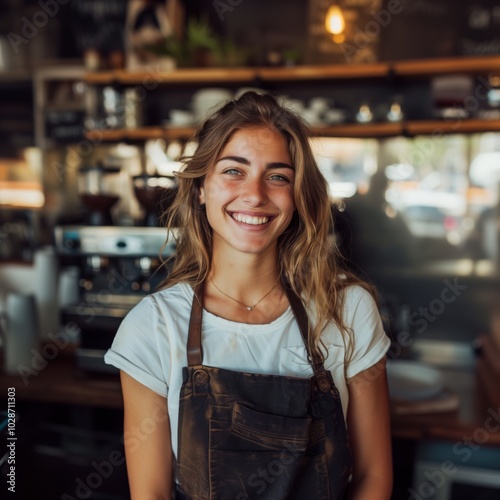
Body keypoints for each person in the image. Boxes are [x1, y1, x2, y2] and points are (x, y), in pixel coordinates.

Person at [104, 91, 393, 499]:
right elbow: (151, 494)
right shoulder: (152, 328)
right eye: (233, 171)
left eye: (277, 176)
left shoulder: (349, 310)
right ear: (201, 188)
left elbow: (374, 479)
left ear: (296, 197)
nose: (255, 194)